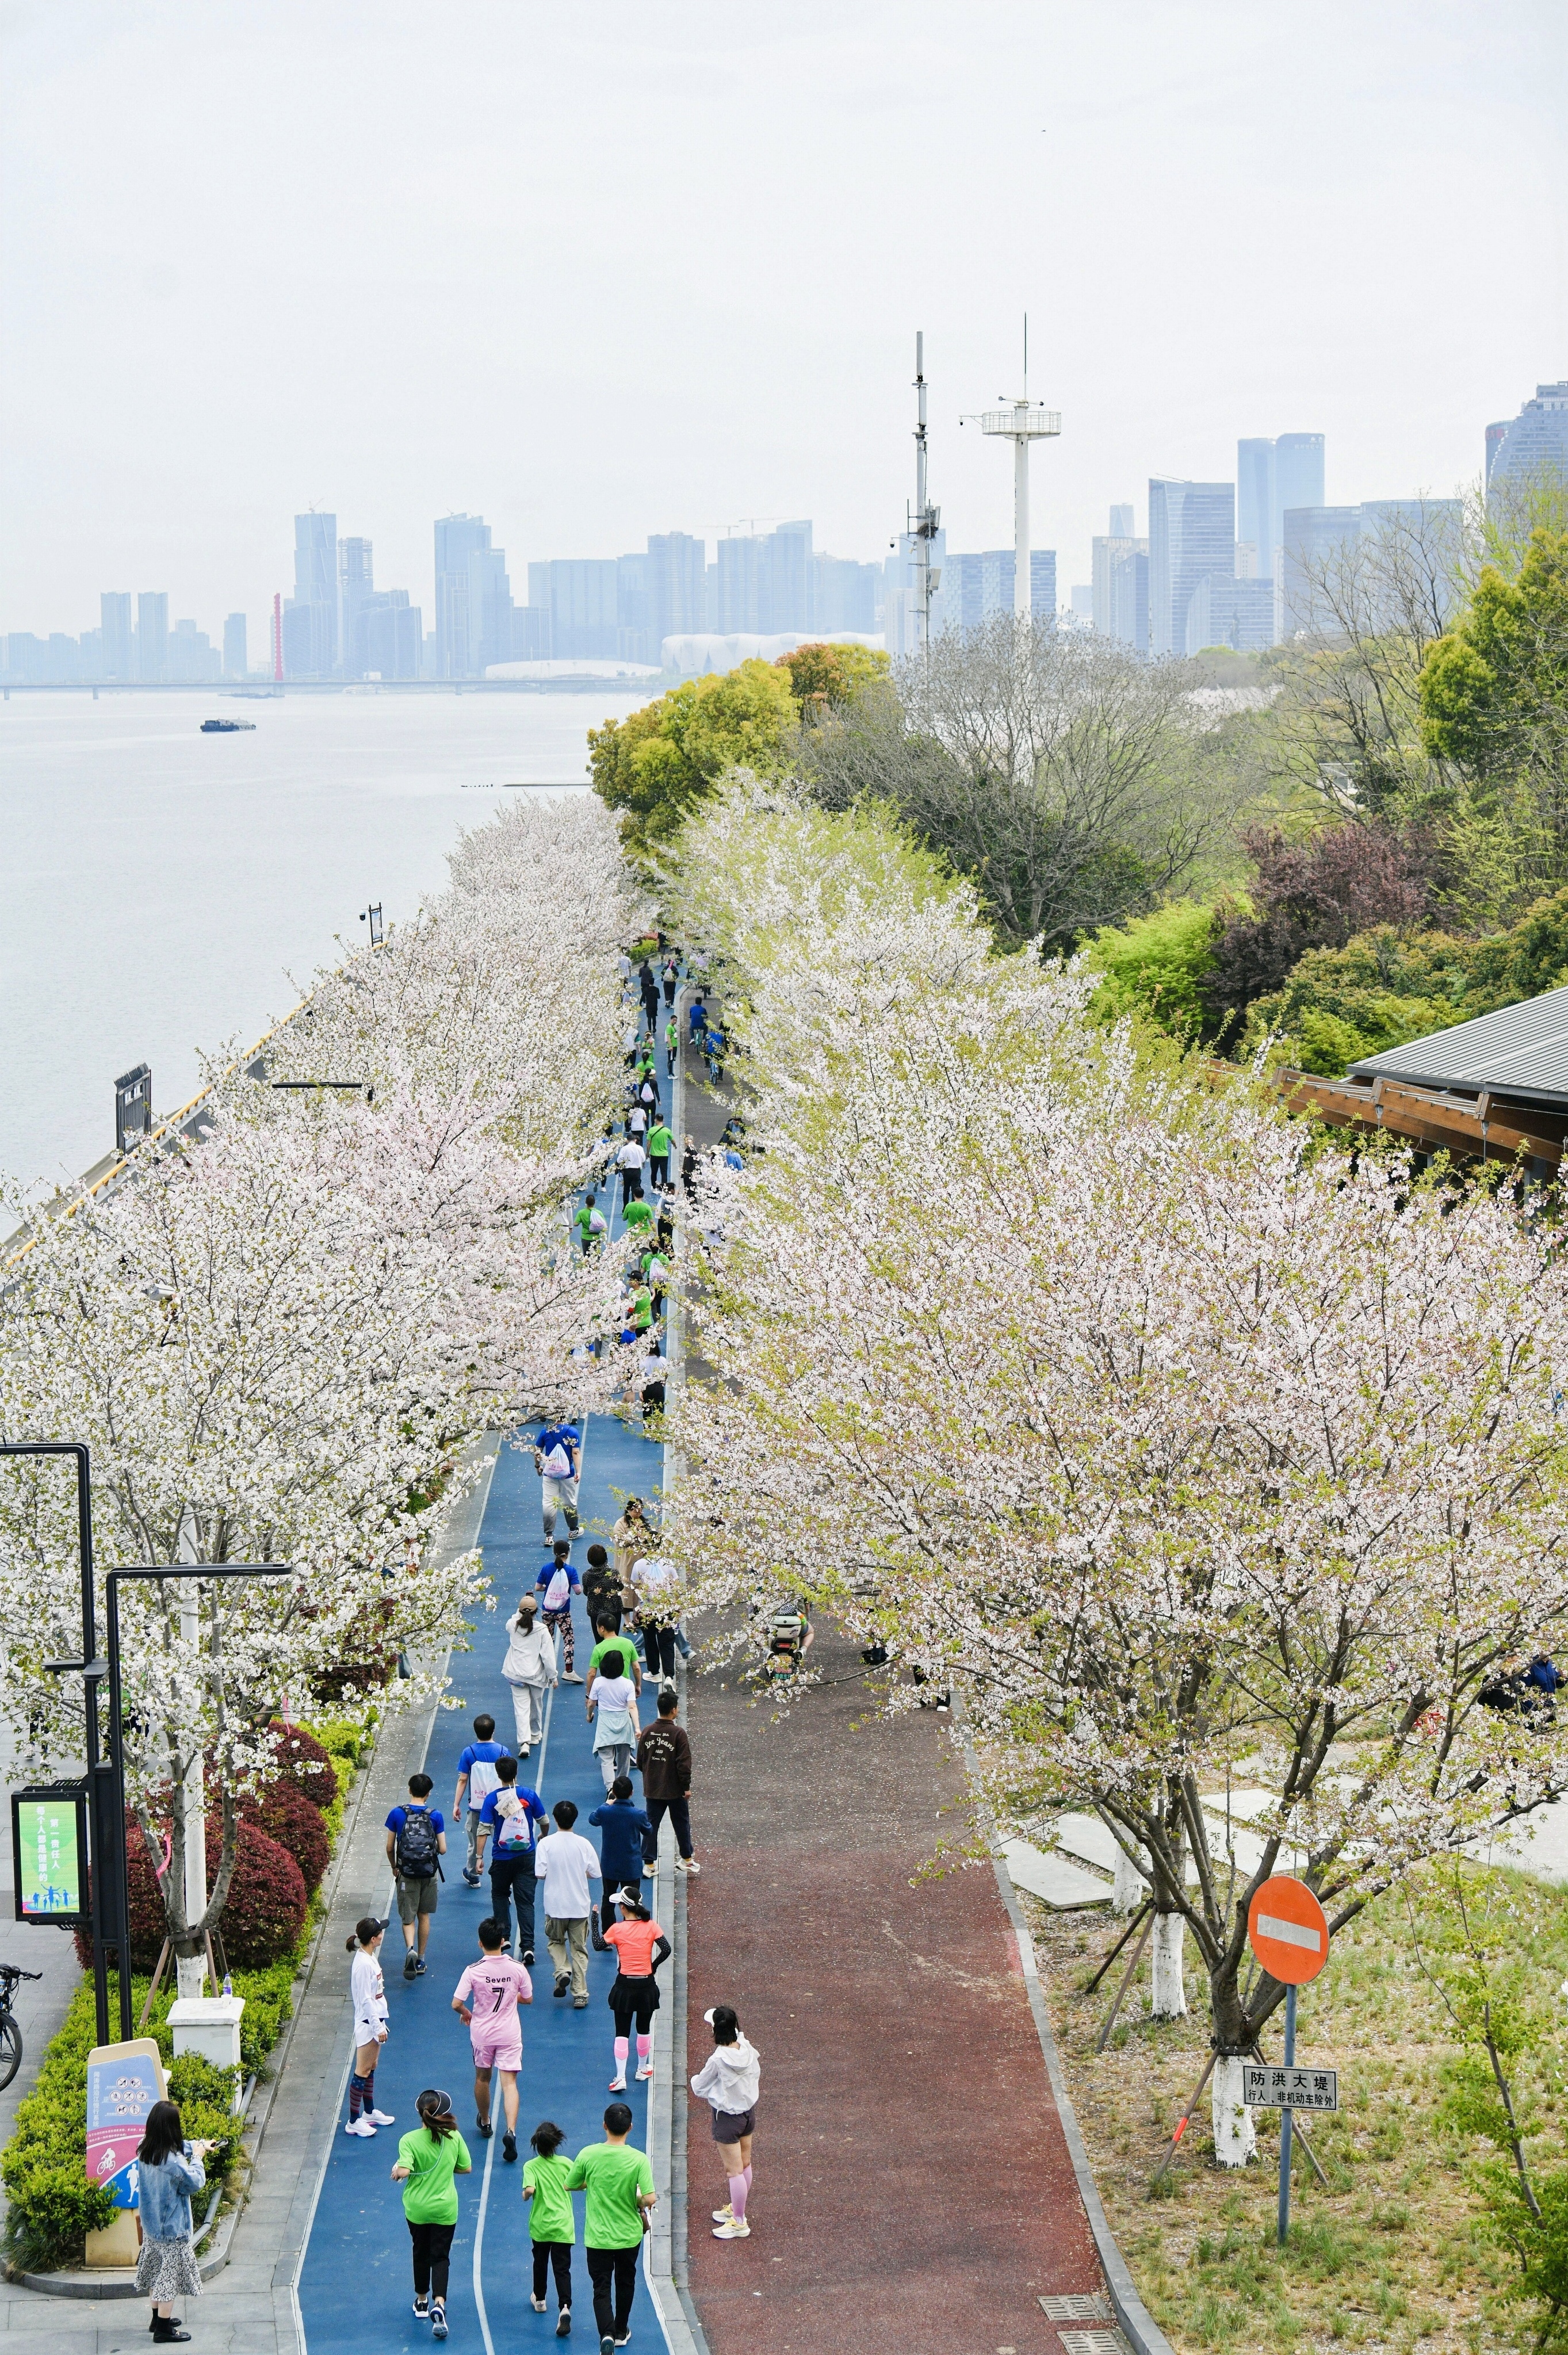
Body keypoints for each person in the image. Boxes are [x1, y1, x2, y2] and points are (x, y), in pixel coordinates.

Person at [565, 2102, 655, 2355]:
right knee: (626, 2281)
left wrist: (591, 2183)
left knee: (601, 2287)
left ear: (604, 2126)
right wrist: (637, 2198)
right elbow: (650, 2198)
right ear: (630, 2128)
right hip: (628, 2236)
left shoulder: (588, 2154)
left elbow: (570, 2185)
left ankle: (606, 2332)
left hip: (598, 2237)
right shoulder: (638, 2159)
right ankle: (621, 2331)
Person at [391, 2088, 472, 2340]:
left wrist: (397, 2171)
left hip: (417, 2209)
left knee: (420, 2252)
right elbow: (466, 2168)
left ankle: (422, 2301)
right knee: (441, 2257)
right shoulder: (454, 2136)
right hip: (446, 2208)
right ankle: (440, 2302)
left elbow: (404, 2170)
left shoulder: (409, 2140)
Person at [453, 1916, 533, 2158]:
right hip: (509, 2033)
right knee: (509, 2083)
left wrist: (467, 2013)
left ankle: (486, 2122)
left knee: (483, 2078)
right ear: (503, 1941)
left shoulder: (473, 1971)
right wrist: (511, 1998)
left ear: (480, 1944)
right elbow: (528, 1998)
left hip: (483, 2034)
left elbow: (457, 2003)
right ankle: (510, 2130)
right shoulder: (517, 1968)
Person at [135, 2099, 216, 2341]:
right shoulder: (173, 2163)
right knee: (168, 2279)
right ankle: (164, 2330)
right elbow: (194, 2182)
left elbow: (175, 2148)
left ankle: (156, 2319)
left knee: (154, 2272)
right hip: (172, 2229)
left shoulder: (144, 2147)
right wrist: (199, 2158)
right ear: (172, 2128)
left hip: (151, 2226)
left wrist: (198, 2146)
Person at [692, 2005, 761, 2241]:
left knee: (734, 2171)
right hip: (748, 2114)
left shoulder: (718, 2059)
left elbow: (699, 2087)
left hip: (727, 2119)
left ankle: (739, 2221)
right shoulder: (748, 2048)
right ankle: (736, 2207)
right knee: (745, 2163)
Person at [595, 1888, 669, 2090]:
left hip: (624, 1987)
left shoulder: (617, 1929)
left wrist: (594, 1921)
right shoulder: (651, 1926)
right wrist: (653, 1966)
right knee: (643, 2029)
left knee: (622, 2032)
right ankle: (642, 2069)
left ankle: (620, 2078)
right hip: (646, 1986)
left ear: (622, 1908)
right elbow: (667, 1949)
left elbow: (597, 1944)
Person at [536, 1798, 601, 2008]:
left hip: (555, 1906)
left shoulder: (546, 1844)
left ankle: (563, 1971)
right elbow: (595, 1873)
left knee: (555, 1942)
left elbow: (540, 1873)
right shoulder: (584, 1844)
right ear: (575, 1819)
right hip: (579, 1906)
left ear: (555, 1819)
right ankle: (580, 1993)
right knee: (580, 1950)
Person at [481, 1752, 547, 1961]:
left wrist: (478, 1857)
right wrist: (542, 1835)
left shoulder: (492, 1799)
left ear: (498, 1776)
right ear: (516, 1773)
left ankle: (504, 1936)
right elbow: (544, 1820)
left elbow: (483, 1829)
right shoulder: (528, 1795)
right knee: (526, 1902)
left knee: (500, 1895)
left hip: (501, 1857)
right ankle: (528, 1947)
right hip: (526, 1856)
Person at [385, 1772, 446, 1978]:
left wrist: (395, 1866)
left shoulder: (397, 1814)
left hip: (407, 1873)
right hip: (429, 1873)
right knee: (424, 1914)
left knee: (408, 1917)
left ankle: (410, 1948)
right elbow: (443, 1849)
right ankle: (420, 1959)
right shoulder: (435, 1815)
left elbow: (389, 1846)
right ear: (428, 1793)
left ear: (410, 1790)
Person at [523, 2120, 575, 2339]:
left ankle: (541, 2300)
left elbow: (529, 2190)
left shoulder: (531, 2166)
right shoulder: (566, 2163)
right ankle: (564, 2307)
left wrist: (526, 2194)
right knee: (562, 2268)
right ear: (557, 2142)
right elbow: (577, 2183)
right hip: (563, 2225)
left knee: (540, 2261)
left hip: (542, 2226)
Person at [637, 1687, 697, 1875]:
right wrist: (686, 1787)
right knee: (681, 1823)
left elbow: (640, 1761)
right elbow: (683, 1764)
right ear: (674, 1710)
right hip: (675, 1790)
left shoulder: (647, 1731)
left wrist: (651, 1775)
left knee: (651, 1825)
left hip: (653, 1789)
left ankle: (649, 1865)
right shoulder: (678, 1734)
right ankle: (686, 1859)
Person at [344, 1916, 395, 2135]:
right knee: (362, 2070)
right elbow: (366, 2000)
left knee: (371, 2066)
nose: (383, 1933)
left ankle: (369, 2112)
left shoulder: (369, 1957)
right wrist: (378, 2027)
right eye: (380, 1932)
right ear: (374, 1939)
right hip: (368, 2024)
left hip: (374, 2020)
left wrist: (381, 2021)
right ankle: (354, 2121)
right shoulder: (364, 1965)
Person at [452, 1714, 509, 1887]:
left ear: (475, 1732)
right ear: (494, 1731)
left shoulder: (468, 1752)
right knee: (502, 1842)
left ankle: (472, 1874)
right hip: (500, 1805)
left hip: (477, 1807)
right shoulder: (503, 1751)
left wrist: (456, 1804)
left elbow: (463, 1779)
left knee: (475, 1842)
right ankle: (504, 1878)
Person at [589, 1776, 653, 1926]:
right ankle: (629, 1935)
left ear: (614, 1793)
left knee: (608, 1900)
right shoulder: (638, 1814)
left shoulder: (605, 1811)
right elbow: (648, 1830)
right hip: (631, 1868)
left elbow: (593, 1819)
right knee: (632, 1903)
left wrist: (607, 1803)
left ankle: (608, 1935)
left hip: (610, 1866)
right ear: (632, 1792)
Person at [503, 1593, 558, 1756]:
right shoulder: (542, 1630)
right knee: (536, 1706)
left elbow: (516, 1617)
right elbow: (548, 1656)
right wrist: (553, 1676)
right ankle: (535, 1735)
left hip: (516, 1674)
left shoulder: (512, 1625)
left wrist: (521, 1608)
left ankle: (524, 1743)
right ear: (536, 1612)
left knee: (521, 1710)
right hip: (536, 1677)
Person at [588, 1658, 638, 1795]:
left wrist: (589, 1715)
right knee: (624, 1759)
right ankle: (622, 1788)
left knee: (607, 1759)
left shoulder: (598, 1682)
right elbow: (632, 1706)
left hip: (605, 1723)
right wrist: (637, 1727)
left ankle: (611, 1788)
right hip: (623, 1723)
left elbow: (592, 1703)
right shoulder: (628, 1683)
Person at [537, 1538, 584, 1681]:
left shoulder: (546, 1568)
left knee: (546, 1640)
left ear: (554, 1552)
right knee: (568, 1639)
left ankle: (544, 1669)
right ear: (567, 1553)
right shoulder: (570, 1571)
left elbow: (538, 1587)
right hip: (563, 1612)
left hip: (547, 1610)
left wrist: (550, 1589)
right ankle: (568, 1671)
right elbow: (578, 1591)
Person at [631, 1555, 680, 1684]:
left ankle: (654, 1673)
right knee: (667, 1643)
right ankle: (669, 1676)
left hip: (647, 1610)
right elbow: (676, 1587)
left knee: (650, 1641)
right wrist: (677, 1606)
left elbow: (636, 1590)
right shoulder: (669, 1562)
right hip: (666, 1608)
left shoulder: (639, 1564)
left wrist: (635, 1609)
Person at [534, 1419, 583, 1540]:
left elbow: (537, 1451)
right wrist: (578, 1472)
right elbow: (576, 1452)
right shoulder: (572, 1432)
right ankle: (573, 1531)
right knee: (569, 1502)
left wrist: (537, 1465)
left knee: (549, 1503)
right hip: (568, 1474)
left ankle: (549, 1536)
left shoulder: (545, 1431)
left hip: (550, 1474)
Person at [587, 1616, 642, 1699]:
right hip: (625, 1688)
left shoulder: (598, 1648)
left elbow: (592, 1674)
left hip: (606, 1690)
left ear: (602, 1628)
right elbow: (636, 1668)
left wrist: (589, 1694)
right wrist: (638, 1685)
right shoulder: (629, 1643)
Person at [764, 1600, 814, 1681]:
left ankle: (767, 1651)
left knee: (755, 1632)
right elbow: (807, 1607)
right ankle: (802, 1651)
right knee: (810, 1632)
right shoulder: (800, 1589)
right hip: (795, 1626)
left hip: (773, 1626)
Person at [613, 1496, 652, 1590]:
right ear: (629, 1510)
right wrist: (634, 1532)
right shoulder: (620, 1524)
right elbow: (620, 1542)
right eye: (636, 1511)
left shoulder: (643, 1523)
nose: (638, 1514)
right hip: (627, 1562)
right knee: (628, 1588)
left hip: (642, 1560)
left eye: (640, 1511)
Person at [582, 1544, 622, 1635]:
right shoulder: (614, 1573)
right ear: (605, 1558)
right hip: (614, 1610)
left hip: (596, 1612)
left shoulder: (586, 1575)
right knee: (614, 1639)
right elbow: (621, 1587)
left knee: (599, 1643)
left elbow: (586, 1592)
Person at [573, 1192, 607, 1257]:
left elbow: (576, 1224)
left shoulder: (581, 1213)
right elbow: (604, 1227)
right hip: (596, 1238)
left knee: (586, 1257)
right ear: (594, 1203)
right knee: (596, 1257)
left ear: (586, 1202)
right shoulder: (599, 1213)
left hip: (585, 1238)